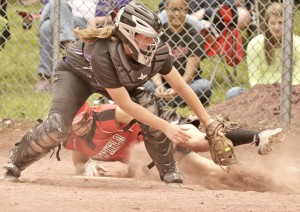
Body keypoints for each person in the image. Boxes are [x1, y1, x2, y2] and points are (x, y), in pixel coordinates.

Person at [0, 1, 229, 187]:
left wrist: (207, 121)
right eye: (146, 36)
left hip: (114, 81)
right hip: (76, 76)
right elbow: (125, 104)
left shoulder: (156, 51)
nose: (153, 43)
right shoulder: (102, 53)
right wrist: (166, 126)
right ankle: (15, 164)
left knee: (148, 103)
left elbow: (181, 87)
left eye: (154, 37)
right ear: (128, 34)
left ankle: (169, 172)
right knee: (58, 127)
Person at [65, 102, 284, 179]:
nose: (80, 129)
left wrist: (166, 128)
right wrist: (87, 165)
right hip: (153, 158)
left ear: (90, 115)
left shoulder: (107, 115)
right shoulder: (75, 140)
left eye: (83, 122)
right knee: (214, 172)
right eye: (75, 126)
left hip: (158, 132)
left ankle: (258, 136)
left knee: (197, 141)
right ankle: (273, 176)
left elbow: (138, 110)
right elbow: (78, 162)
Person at [144, 0, 212, 107]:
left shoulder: (195, 35)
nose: (177, 14)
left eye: (180, 9)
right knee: (143, 83)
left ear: (186, 10)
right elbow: (153, 64)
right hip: (163, 85)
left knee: (205, 85)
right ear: (166, 10)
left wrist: (177, 89)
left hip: (186, 85)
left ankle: (160, 102)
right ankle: (181, 101)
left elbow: (190, 73)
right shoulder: (158, 35)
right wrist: (158, 85)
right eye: (173, 9)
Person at [226, 2, 300, 99]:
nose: (277, 27)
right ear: (267, 24)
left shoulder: (297, 44)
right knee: (233, 93)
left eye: (281, 22)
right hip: (262, 95)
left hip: (291, 94)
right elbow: (255, 82)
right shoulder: (255, 44)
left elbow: (297, 81)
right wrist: (268, 95)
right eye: (273, 23)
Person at [158, 0, 252, 33]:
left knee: (244, 14)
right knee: (163, 15)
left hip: (204, 28)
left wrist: (205, 11)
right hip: (177, 21)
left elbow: (230, 9)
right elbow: (164, 7)